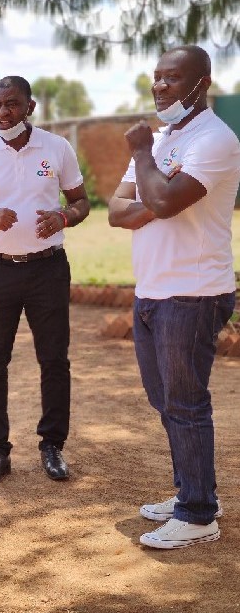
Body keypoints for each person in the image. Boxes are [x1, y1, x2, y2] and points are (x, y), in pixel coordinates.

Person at [108, 45, 240, 549]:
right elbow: (119, 211)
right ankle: (194, 489)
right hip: (154, 289)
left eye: (171, 78)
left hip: (194, 291)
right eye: (156, 77)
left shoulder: (215, 139)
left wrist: (143, 157)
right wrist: (155, 196)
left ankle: (198, 514)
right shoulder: (164, 138)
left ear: (201, 83)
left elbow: (160, 199)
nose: (159, 86)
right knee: (164, 400)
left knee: (185, 404)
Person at [0, 76, 90, 487]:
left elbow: (81, 201)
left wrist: (64, 217)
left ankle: (52, 445)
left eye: (11, 105)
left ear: (30, 107)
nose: (2, 113)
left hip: (47, 269)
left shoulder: (56, 148)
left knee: (54, 359)